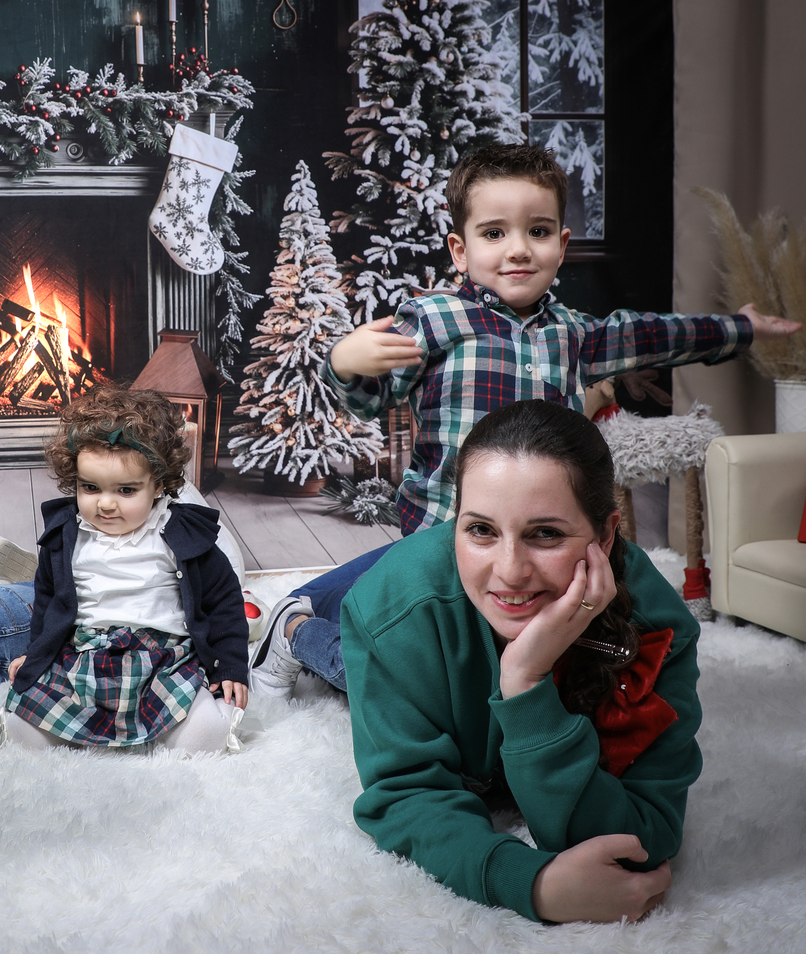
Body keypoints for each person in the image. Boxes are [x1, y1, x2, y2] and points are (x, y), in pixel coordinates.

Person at [250, 142, 801, 700]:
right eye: (494, 233)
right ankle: (296, 632)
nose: (517, 249)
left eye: (537, 231)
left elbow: (655, 335)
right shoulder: (436, 320)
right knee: (419, 684)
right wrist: (345, 362)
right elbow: (369, 400)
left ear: (561, 245)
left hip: (543, 538)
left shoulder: (573, 333)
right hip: (448, 536)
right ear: (460, 250)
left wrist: (742, 328)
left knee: (592, 650)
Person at [344, 400, 702, 923]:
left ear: (606, 535)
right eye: (480, 529)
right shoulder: (390, 611)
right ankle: (294, 627)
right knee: (330, 654)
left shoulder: (658, 628)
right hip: (390, 605)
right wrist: (529, 883)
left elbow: (640, 838)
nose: (510, 571)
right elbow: (405, 794)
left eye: (546, 533)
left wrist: (526, 682)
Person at [0, 385, 249, 753]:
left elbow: (224, 601)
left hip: (163, 662)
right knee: (22, 733)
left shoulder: (178, 533)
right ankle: (82, 727)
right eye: (91, 488)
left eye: (126, 491)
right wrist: (35, 654)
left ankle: (187, 721)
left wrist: (230, 667)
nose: (106, 504)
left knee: (205, 739)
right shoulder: (66, 535)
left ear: (158, 485)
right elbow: (47, 602)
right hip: (82, 659)